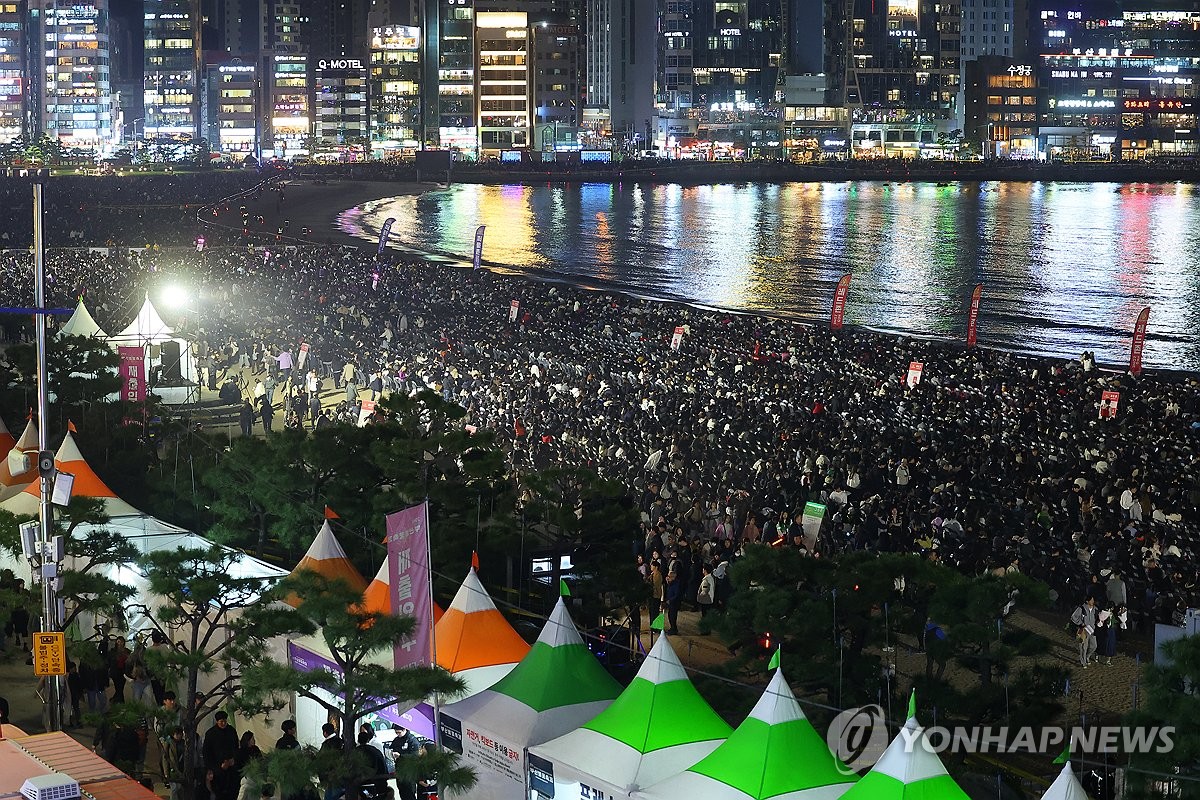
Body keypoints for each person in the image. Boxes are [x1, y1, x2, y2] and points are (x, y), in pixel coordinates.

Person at [389, 724, 421, 800]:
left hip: (409, 771)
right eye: (396, 732)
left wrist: (401, 756)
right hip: (399, 771)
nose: (398, 734)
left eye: (399, 732)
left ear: (404, 729)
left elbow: (415, 756)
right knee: (402, 792)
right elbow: (391, 748)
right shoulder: (396, 740)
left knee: (409, 793)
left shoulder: (412, 740)